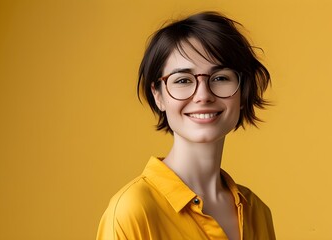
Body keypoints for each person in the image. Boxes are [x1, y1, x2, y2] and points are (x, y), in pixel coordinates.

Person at [97, 11, 275, 240]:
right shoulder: (132, 211)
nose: (203, 95)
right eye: (182, 80)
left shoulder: (257, 212)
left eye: (220, 78)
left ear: (243, 90)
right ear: (158, 95)